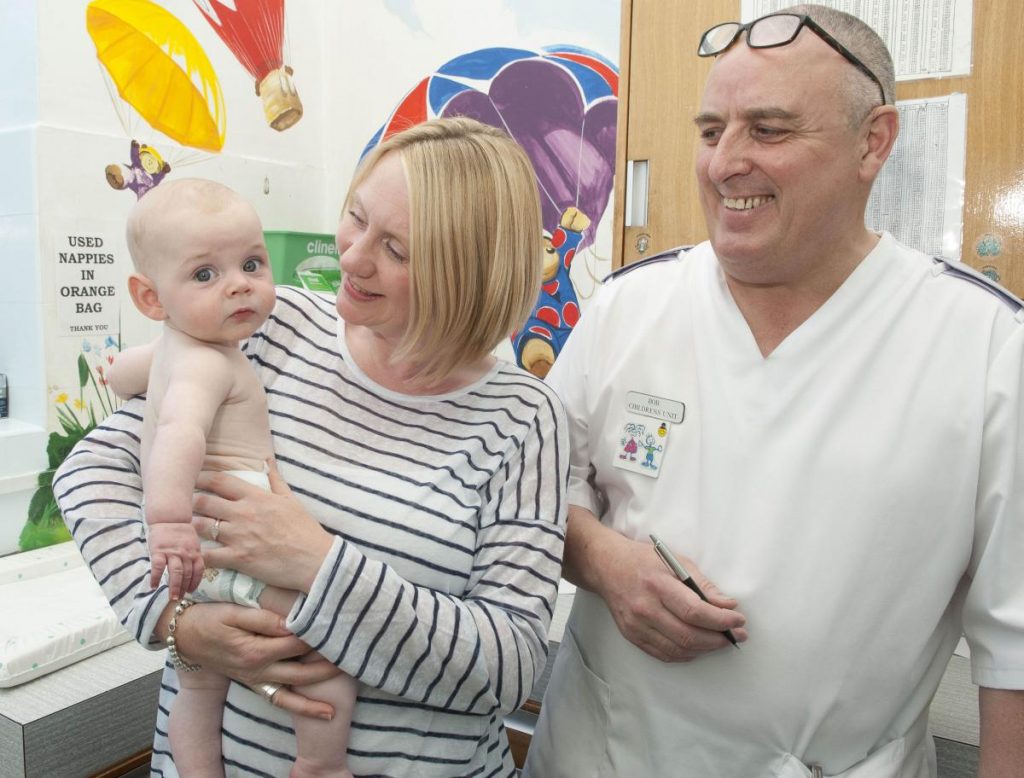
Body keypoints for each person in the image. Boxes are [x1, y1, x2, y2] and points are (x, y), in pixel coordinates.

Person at [524, 5, 1024, 777]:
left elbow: (1015, 646)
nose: (725, 161)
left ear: (874, 142)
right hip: (607, 754)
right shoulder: (630, 307)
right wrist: (608, 564)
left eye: (770, 129)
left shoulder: (986, 347)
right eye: (711, 130)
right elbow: (526, 495)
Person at [54, 117, 568, 777]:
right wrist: (176, 624)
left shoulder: (522, 419)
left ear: (465, 273)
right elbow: (93, 470)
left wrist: (318, 564)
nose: (351, 258)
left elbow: (507, 668)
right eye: (356, 218)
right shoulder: (270, 327)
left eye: (397, 250)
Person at [108, 177, 357, 778]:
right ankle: (319, 764)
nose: (239, 285)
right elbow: (179, 435)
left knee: (197, 694)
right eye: (205, 275)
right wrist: (167, 523)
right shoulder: (207, 364)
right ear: (151, 297)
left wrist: (122, 370)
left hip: (195, 573)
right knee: (329, 657)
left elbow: (121, 377)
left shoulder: (172, 344)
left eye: (251, 263)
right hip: (235, 557)